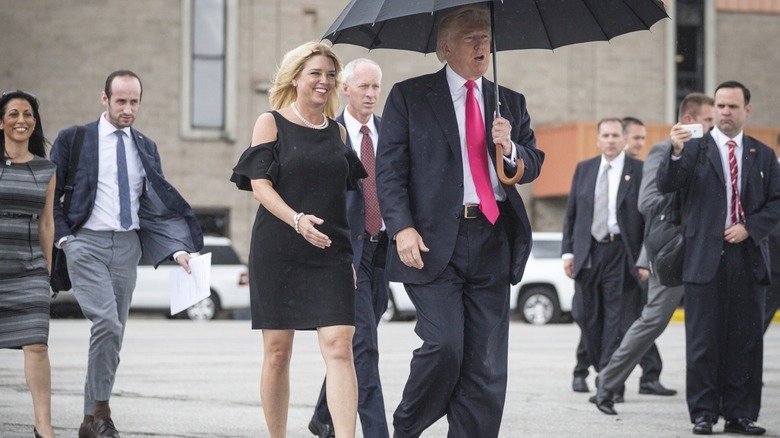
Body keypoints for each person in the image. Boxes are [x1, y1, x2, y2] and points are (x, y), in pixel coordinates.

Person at [375, 6, 545, 437]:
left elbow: (533, 163)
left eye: (486, 36)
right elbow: (389, 171)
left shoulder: (510, 102)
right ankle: (408, 426)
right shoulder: (409, 97)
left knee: (485, 361)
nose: (482, 44)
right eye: (470, 37)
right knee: (445, 346)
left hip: (491, 237)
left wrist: (509, 150)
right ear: (445, 47)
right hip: (432, 243)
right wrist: (401, 228)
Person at [50, 70, 203, 438]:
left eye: (134, 101)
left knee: (112, 335)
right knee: (107, 323)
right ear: (105, 99)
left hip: (127, 247)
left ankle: (89, 421)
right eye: (121, 101)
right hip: (85, 243)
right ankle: (103, 413)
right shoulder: (75, 138)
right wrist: (65, 239)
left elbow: (153, 208)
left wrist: (178, 250)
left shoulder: (146, 146)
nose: (128, 109)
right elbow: (50, 195)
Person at [230, 41, 365, 438]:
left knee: (340, 346)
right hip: (279, 249)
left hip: (331, 252)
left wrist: (351, 256)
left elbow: (346, 200)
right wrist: (296, 219)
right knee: (277, 353)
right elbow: (259, 185)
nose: (324, 82)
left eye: (329, 75)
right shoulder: (270, 122)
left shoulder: (339, 132)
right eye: (315, 74)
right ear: (295, 79)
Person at [657, 81, 780, 435]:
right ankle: (703, 413)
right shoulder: (694, 149)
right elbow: (667, 184)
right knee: (703, 342)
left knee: (745, 341)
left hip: (748, 257)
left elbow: (776, 203)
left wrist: (750, 228)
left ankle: (741, 414)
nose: (725, 112)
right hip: (703, 259)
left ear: (747, 110)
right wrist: (676, 150)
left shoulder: (762, 154)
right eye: (721, 106)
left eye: (732, 106)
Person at [594, 93, 715, 415]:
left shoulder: (717, 150)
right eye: (708, 120)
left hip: (712, 248)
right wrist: (688, 201)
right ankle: (607, 382)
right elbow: (646, 203)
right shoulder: (663, 150)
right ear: (689, 120)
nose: (713, 126)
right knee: (652, 322)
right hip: (674, 250)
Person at [308, 58, 389, 438]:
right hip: (347, 254)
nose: (371, 95)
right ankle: (376, 432)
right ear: (346, 89)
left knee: (356, 343)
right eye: (364, 87)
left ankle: (324, 414)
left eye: (376, 87)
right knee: (364, 348)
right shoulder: (330, 134)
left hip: (383, 250)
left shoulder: (391, 134)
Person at [561, 118, 645, 398]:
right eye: (605, 135)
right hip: (588, 252)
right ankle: (601, 369)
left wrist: (645, 258)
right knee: (585, 315)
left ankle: (610, 382)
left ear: (624, 139)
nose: (610, 140)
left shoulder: (639, 170)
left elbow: (648, 219)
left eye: (615, 135)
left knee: (617, 321)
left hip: (622, 253)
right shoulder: (584, 169)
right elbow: (571, 213)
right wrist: (568, 251)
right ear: (598, 140)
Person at [0, 90, 57, 438]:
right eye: (13, 114)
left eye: (28, 114)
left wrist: (46, 272)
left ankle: (44, 428)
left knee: (37, 345)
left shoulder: (45, 168)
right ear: (1, 121)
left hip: (29, 268)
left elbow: (46, 223)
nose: (21, 120)